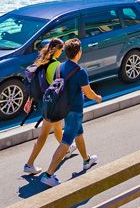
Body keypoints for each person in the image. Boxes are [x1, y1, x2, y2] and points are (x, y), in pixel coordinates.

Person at [39, 38, 103, 187]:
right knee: (66, 142)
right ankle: (48, 174)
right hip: (75, 110)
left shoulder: (59, 67)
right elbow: (88, 92)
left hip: (63, 108)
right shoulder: (81, 72)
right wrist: (97, 98)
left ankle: (87, 160)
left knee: (79, 133)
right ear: (78, 53)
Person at [22, 38, 76, 174]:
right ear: (57, 50)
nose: (62, 52)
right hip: (52, 104)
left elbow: (36, 83)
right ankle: (29, 164)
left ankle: (67, 148)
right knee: (43, 135)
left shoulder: (42, 61)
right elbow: (59, 86)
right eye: (61, 50)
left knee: (57, 127)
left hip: (44, 102)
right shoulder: (56, 65)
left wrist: (29, 100)